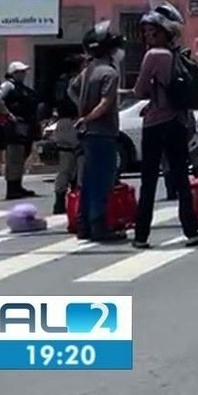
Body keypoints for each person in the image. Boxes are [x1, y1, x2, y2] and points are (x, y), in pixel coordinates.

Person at [131, 3, 198, 249]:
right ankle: (191, 231)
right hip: (178, 123)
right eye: (146, 32)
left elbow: (139, 90)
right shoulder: (180, 56)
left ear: (165, 32)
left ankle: (141, 236)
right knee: (181, 179)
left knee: (148, 181)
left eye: (152, 32)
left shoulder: (153, 56)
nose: (148, 36)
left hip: (155, 125)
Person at [68, 21, 128, 242]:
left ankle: (84, 225)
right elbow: (106, 102)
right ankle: (99, 227)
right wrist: (89, 115)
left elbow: (71, 90)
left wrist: (82, 110)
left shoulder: (87, 71)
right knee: (102, 182)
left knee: (88, 182)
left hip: (87, 134)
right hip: (103, 133)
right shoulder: (110, 72)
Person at [0, 61, 41, 200]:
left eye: (24, 71)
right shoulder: (8, 85)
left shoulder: (22, 87)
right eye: (20, 72)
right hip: (14, 127)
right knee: (14, 157)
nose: (23, 74)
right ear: (13, 73)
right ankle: (12, 188)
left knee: (22, 155)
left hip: (25, 126)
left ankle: (18, 185)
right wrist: (8, 114)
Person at [50, 54, 85, 214]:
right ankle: (78, 202)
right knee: (80, 163)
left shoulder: (60, 83)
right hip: (74, 124)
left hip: (62, 124)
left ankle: (59, 202)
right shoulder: (76, 82)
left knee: (64, 167)